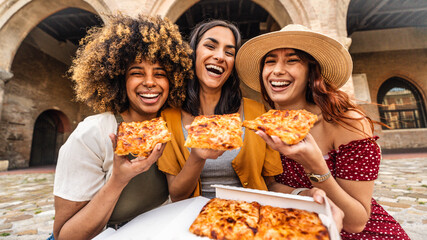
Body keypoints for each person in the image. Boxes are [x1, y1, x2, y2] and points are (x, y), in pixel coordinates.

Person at [235, 24, 409, 239]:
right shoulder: (263, 124)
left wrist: (314, 164)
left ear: (311, 72)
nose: (277, 70)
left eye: (292, 60)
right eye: (270, 61)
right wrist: (305, 194)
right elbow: (270, 184)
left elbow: (356, 222)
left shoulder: (346, 123)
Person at [50, 14, 193, 240]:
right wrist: (118, 180)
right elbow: (65, 236)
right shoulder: (93, 134)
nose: (149, 82)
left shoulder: (172, 128)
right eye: (137, 72)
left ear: (173, 81)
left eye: (160, 74)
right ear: (119, 79)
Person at [157, 20, 284, 202]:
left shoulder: (258, 113)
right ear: (192, 54)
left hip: (250, 218)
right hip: (195, 221)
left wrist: (305, 193)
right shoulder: (168, 118)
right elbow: (176, 195)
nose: (220, 56)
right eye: (210, 46)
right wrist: (197, 157)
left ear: (233, 65)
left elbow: (271, 185)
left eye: (229, 52)